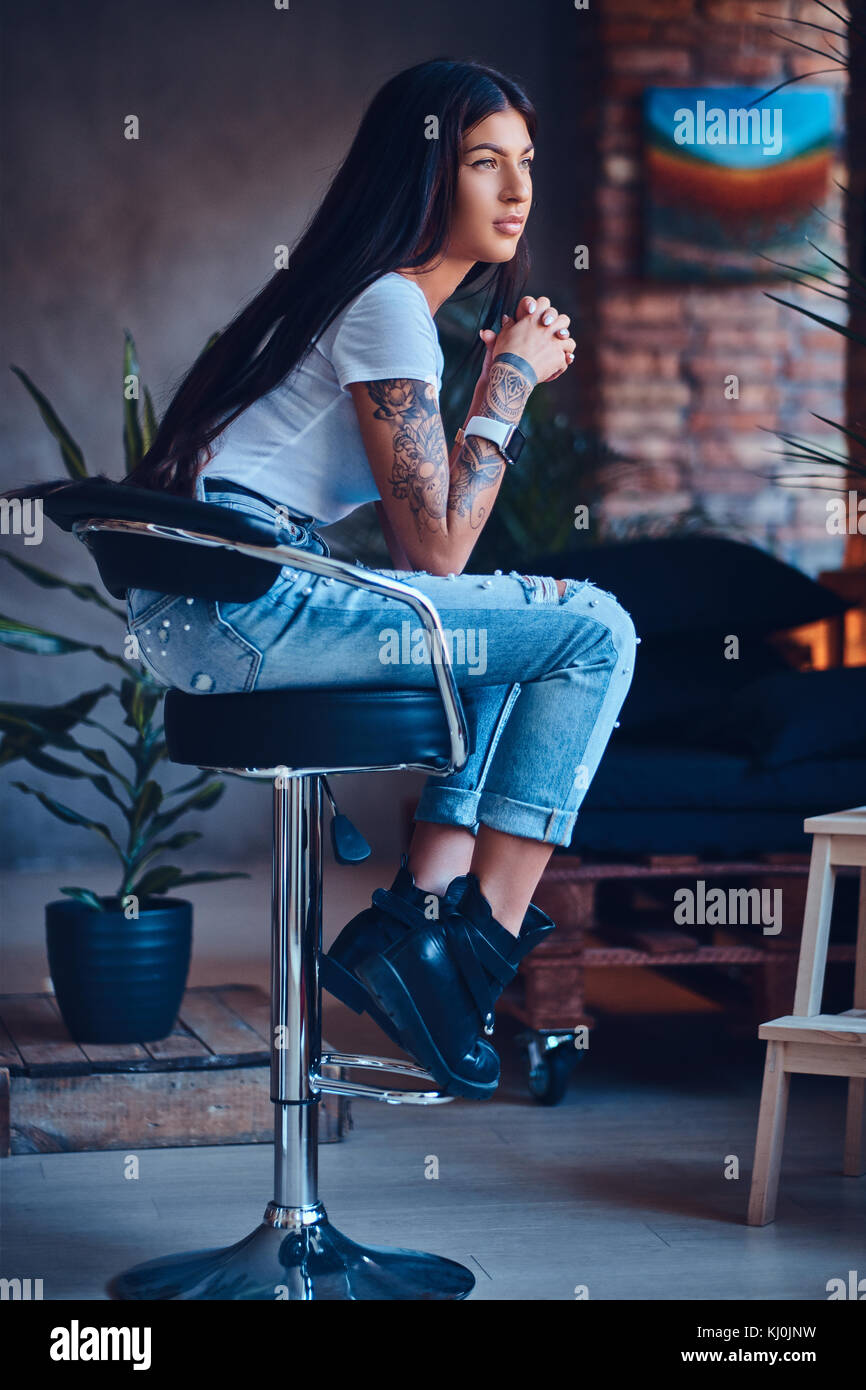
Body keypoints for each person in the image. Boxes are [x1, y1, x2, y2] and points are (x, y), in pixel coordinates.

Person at [123, 58, 638, 1099]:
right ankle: (468, 945)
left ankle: (426, 918)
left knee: (518, 633)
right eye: (482, 161)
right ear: (424, 175)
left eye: (524, 164)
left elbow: (431, 557)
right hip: (238, 596)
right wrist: (508, 380)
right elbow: (438, 552)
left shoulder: (368, 305)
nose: (515, 189)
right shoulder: (389, 309)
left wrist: (489, 384)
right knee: (594, 628)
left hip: (214, 601)